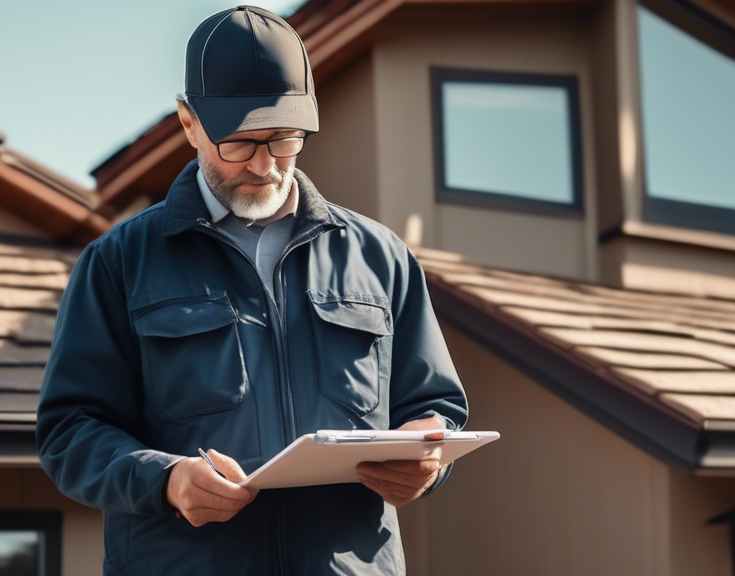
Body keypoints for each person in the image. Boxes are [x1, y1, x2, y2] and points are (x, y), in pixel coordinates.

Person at [35, 5, 468, 575]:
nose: (265, 165)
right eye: (240, 143)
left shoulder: (380, 257)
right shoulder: (118, 263)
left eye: (285, 139)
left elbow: (433, 407)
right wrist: (165, 480)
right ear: (189, 123)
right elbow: (70, 431)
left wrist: (428, 462)